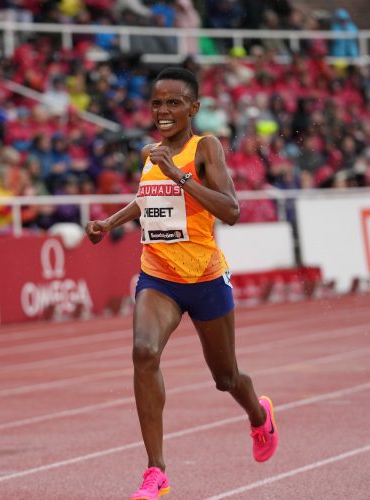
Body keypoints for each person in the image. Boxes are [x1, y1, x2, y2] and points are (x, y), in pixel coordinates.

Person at [86, 67, 278, 500]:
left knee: (226, 377)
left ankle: (258, 415)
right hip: (159, 275)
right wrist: (109, 222)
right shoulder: (152, 153)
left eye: (174, 102)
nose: (164, 110)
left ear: (193, 108)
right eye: (157, 102)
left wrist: (178, 173)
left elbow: (230, 210)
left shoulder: (204, 148)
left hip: (206, 277)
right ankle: (156, 471)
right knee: (143, 351)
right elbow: (148, 200)